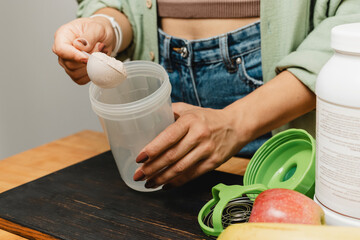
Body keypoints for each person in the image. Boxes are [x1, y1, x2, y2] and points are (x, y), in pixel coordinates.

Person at [53, 0, 360, 190]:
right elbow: (118, 6)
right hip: (163, 70)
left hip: (284, 113)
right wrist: (107, 26)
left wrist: (236, 122)